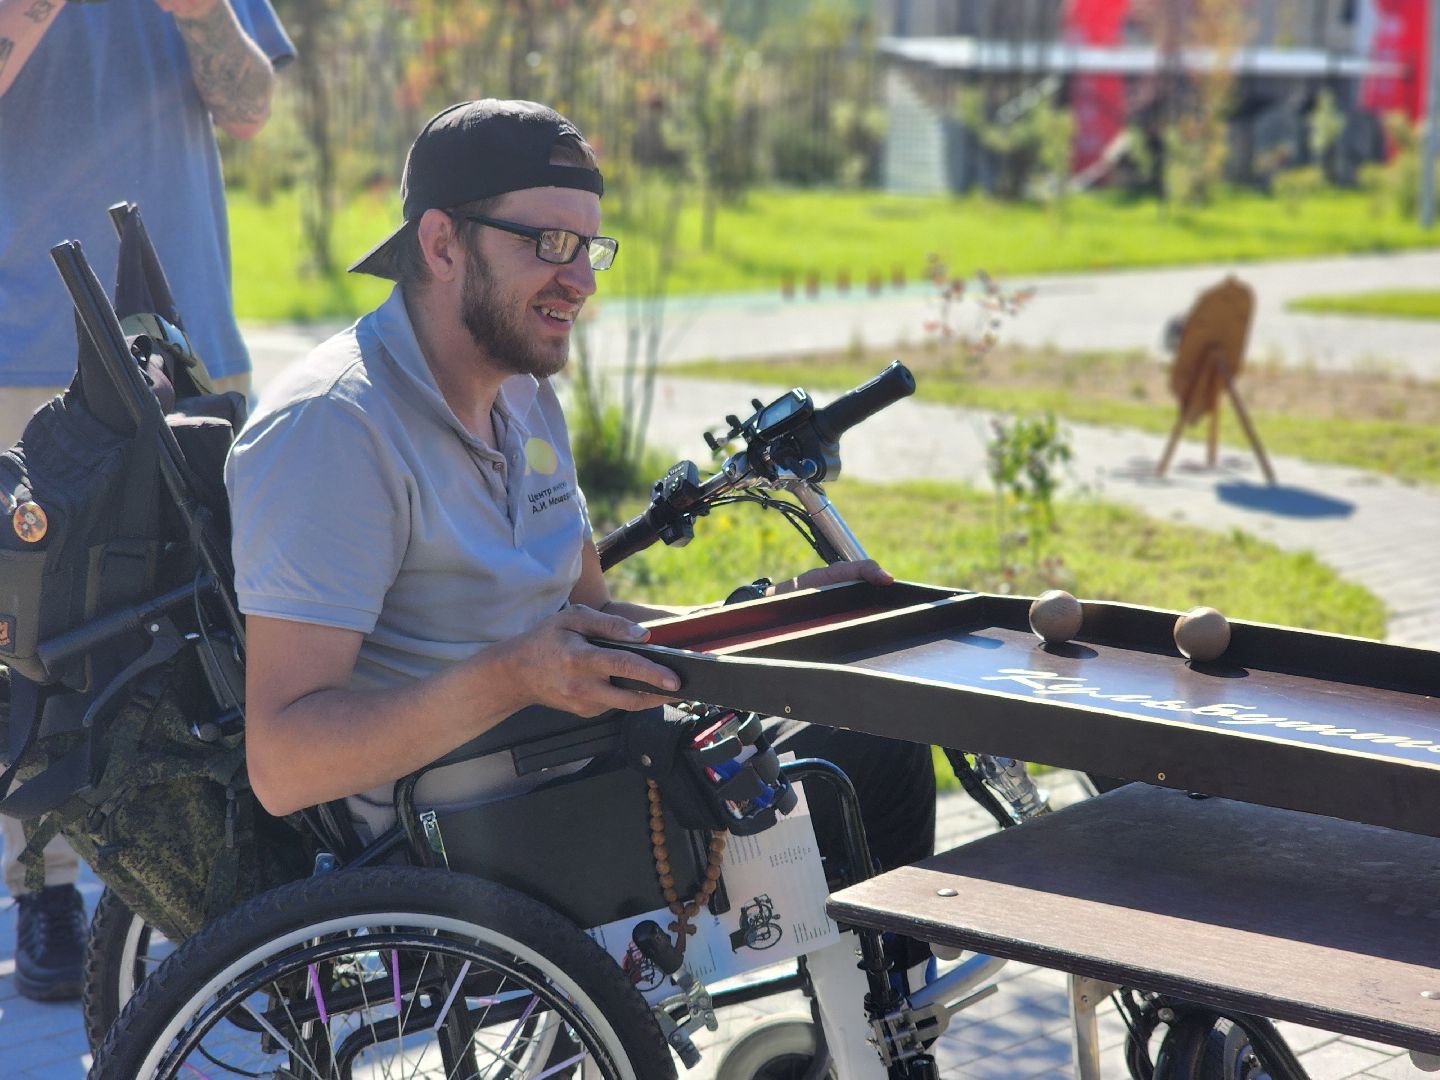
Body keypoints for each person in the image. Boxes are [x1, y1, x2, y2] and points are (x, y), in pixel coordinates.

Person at [225, 99, 934, 1063]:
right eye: (549, 241)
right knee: (851, 765)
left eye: (592, 249)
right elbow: (284, 763)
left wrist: (769, 621)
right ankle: (878, 1041)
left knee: (885, 717)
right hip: (465, 828)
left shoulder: (525, 393)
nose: (579, 281)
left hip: (571, 757)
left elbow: (591, 626)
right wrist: (515, 676)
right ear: (440, 242)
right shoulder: (332, 432)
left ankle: (883, 1037)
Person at [0, 0, 293, 1001]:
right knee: (37, 641)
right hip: (25, 354)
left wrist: (206, 13)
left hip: (184, 332)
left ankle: (234, 862)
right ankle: (42, 884)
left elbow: (252, 107)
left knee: (215, 614)